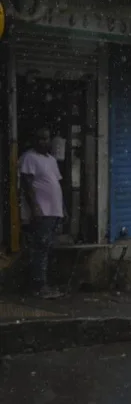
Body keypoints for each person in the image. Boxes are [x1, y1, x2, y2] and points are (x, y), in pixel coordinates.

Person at [18, 127, 65, 299]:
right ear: (34, 140)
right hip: (43, 211)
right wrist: (35, 207)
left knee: (47, 247)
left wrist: (63, 208)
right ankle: (39, 286)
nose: (42, 142)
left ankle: (42, 284)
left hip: (54, 211)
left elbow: (56, 184)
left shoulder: (51, 160)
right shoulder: (30, 158)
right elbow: (27, 185)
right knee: (41, 248)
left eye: (45, 139)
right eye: (39, 139)